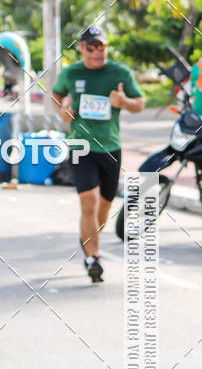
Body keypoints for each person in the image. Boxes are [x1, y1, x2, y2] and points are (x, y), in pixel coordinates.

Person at [52, 25, 144, 282]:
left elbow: (140, 103)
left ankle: (89, 240)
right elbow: (56, 94)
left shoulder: (119, 73)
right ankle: (93, 258)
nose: (96, 52)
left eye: (100, 46)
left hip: (110, 147)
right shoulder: (71, 73)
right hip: (80, 146)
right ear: (81, 48)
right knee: (88, 202)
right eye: (90, 47)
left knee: (104, 206)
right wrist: (62, 110)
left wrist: (124, 102)